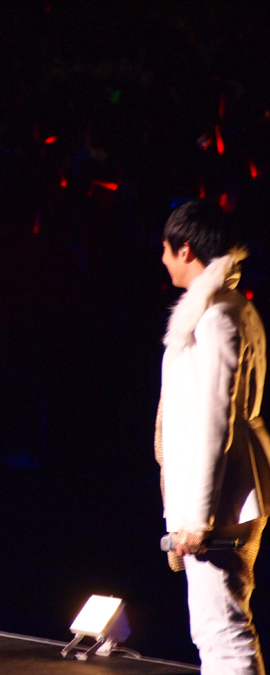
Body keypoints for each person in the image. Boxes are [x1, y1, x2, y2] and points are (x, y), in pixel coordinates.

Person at [156, 199, 270, 674]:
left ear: (185, 250)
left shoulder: (218, 316)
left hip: (223, 503)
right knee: (217, 629)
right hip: (227, 496)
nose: (163, 259)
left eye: (166, 249)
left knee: (223, 632)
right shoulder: (223, 310)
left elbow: (215, 423)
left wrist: (198, 519)